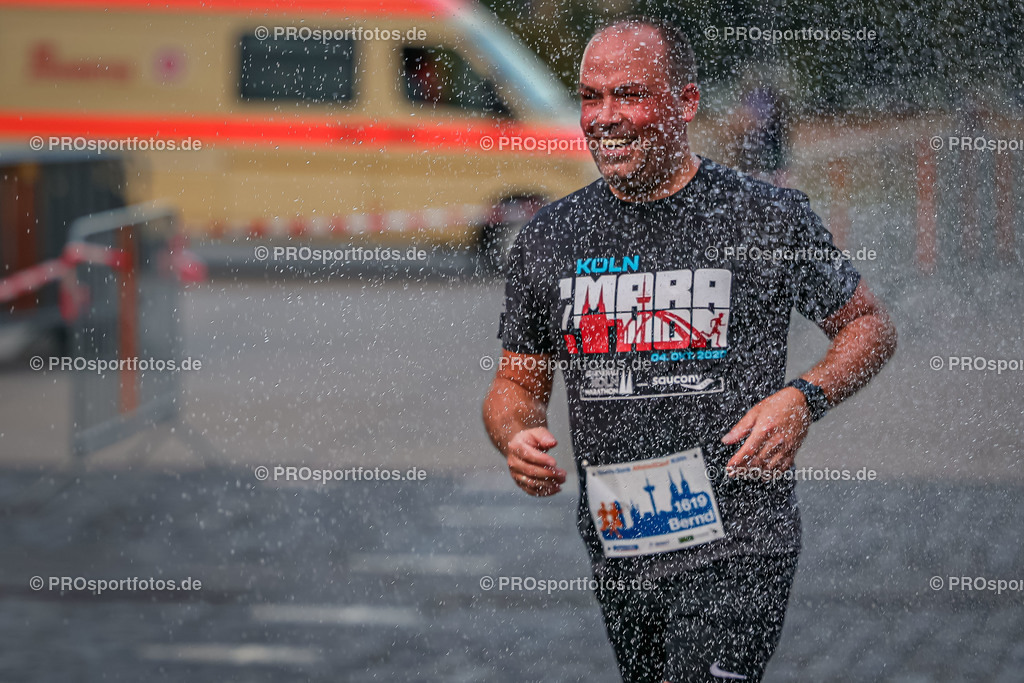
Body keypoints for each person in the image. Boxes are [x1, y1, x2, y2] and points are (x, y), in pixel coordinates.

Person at [482, 16, 897, 683]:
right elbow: (515, 385)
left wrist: (804, 397)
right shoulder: (551, 237)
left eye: (629, 95)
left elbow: (869, 324)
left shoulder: (763, 217)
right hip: (620, 542)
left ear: (686, 102)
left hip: (739, 543)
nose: (605, 117)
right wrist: (516, 434)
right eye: (591, 97)